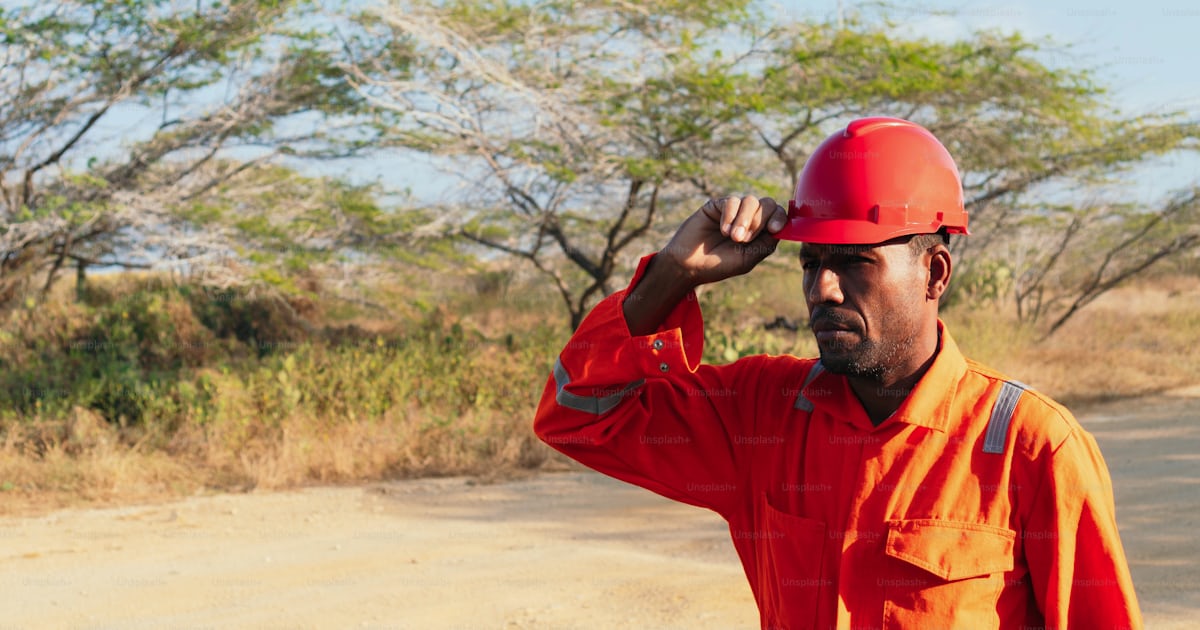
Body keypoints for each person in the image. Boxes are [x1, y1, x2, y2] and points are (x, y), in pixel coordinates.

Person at [532, 117, 1143, 629]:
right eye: (811, 261)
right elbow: (577, 414)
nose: (822, 288)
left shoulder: (1030, 446)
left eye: (854, 262)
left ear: (935, 274)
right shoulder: (759, 417)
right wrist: (673, 274)